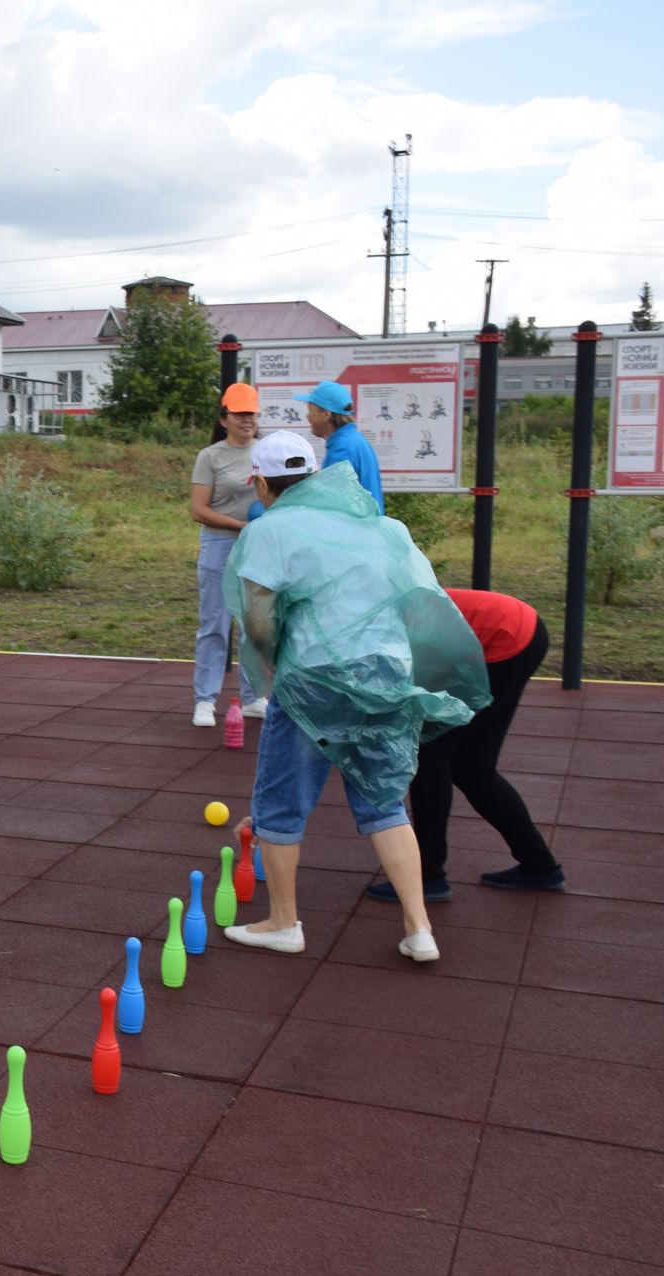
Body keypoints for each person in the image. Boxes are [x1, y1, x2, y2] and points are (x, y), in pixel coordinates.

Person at [218, 430, 487, 965]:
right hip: (385, 669)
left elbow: (257, 616)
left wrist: (270, 656)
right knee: (383, 799)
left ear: (261, 482)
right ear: (316, 474)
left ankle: (283, 922)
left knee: (280, 798)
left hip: (316, 675)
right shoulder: (380, 524)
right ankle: (419, 929)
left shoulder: (270, 529)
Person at [367, 588, 565, 902]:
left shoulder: (377, 623)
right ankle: (539, 865)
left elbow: (417, 682)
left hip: (503, 641)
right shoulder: (377, 611)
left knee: (430, 752)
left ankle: (427, 875)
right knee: (473, 767)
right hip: (516, 630)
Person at [189, 383, 267, 728]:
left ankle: (253, 697)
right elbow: (198, 510)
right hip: (220, 544)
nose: (247, 419)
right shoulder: (210, 456)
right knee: (215, 625)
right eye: (239, 413)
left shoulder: (267, 452)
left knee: (255, 625)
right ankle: (205, 700)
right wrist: (239, 525)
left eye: (251, 412)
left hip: (257, 547)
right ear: (224, 418)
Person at [295, 379, 384, 513]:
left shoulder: (343, 450)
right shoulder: (354, 441)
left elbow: (330, 506)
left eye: (310, 410)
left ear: (326, 415)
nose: (307, 416)